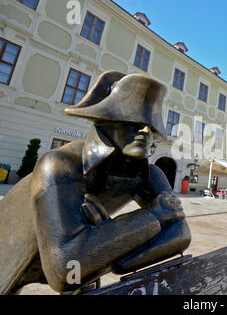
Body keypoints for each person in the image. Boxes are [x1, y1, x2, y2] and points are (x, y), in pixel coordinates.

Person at [0, 71, 191, 294]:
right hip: (9, 253)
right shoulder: (59, 164)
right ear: (106, 120)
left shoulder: (149, 174)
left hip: (77, 266)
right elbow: (65, 270)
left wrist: (105, 241)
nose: (146, 130)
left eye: (151, 123)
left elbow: (181, 235)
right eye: (134, 120)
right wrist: (151, 218)